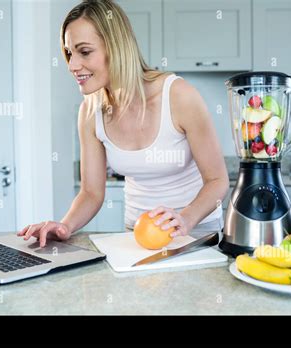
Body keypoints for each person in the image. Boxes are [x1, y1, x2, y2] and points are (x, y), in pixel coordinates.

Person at [17, 0, 229, 247]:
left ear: (116, 47)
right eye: (69, 53)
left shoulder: (178, 96)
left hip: (197, 231)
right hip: (137, 234)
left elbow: (217, 181)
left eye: (84, 52)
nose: (73, 65)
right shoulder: (90, 112)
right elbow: (91, 193)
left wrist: (184, 219)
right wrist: (65, 226)